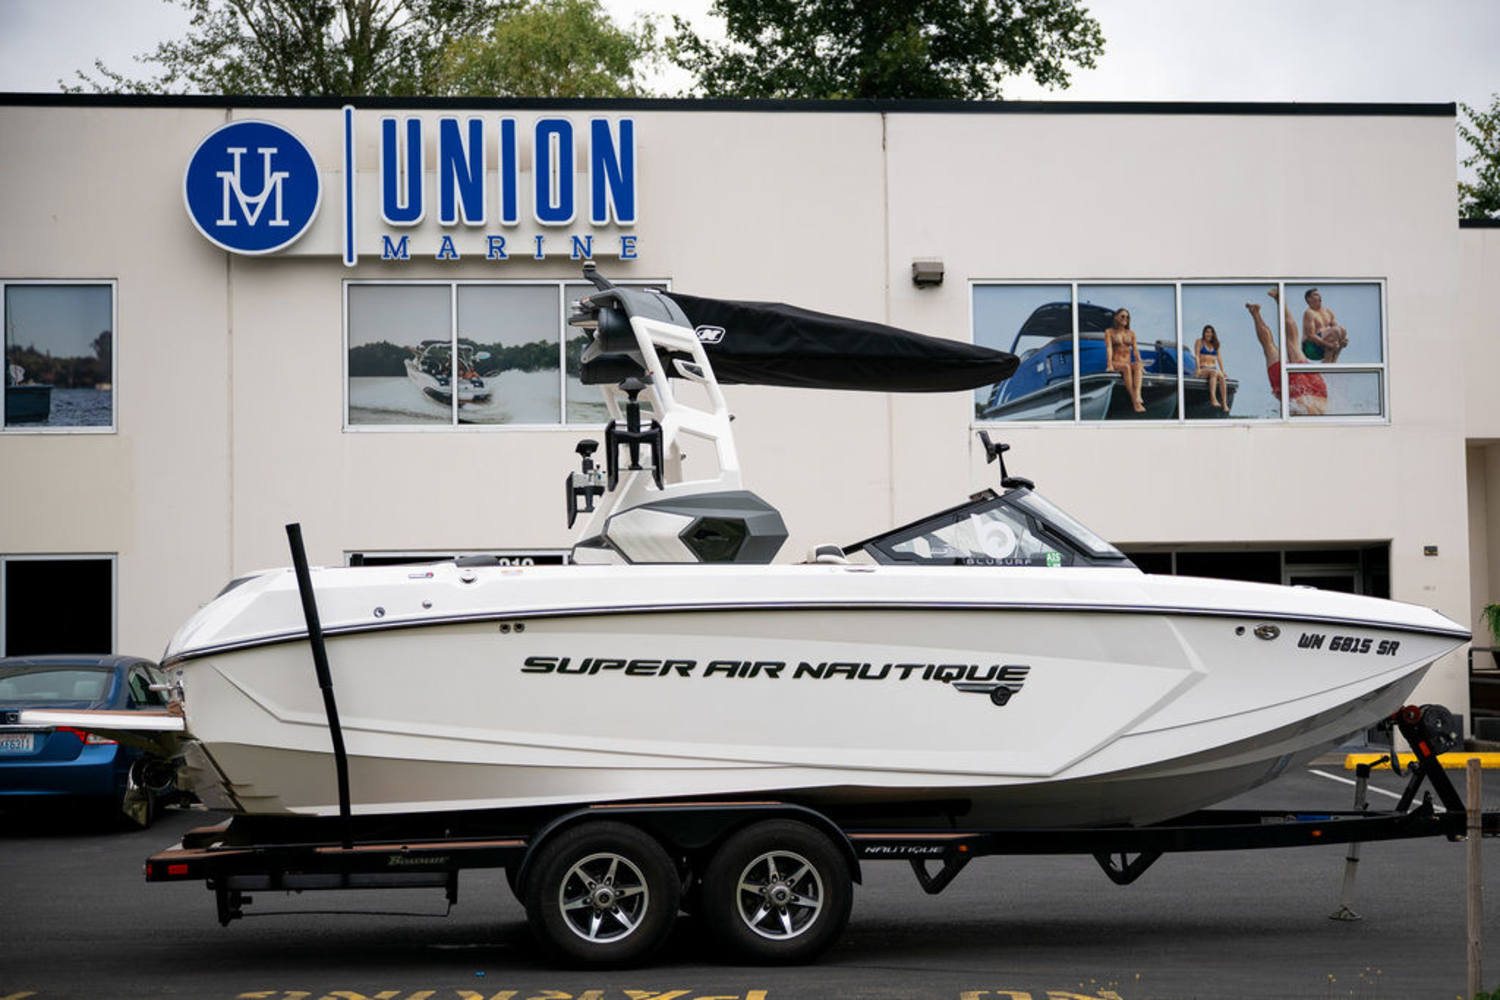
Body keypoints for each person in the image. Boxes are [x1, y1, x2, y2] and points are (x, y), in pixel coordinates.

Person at [1248, 289, 1327, 416]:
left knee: (1293, 342)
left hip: (1318, 390)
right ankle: (1255, 313)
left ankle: (1280, 300)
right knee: (1269, 347)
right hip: (1296, 394)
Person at [1105, 307, 1146, 413]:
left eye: (1127, 317)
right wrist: (1109, 365)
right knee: (1127, 367)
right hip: (1116, 363)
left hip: (1127, 362)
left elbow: (1135, 351)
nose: (1125, 318)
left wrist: (1140, 363)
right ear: (1116, 318)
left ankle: (1138, 395)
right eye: (1122, 316)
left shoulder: (1131, 333)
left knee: (1136, 365)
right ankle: (1135, 402)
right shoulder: (1109, 332)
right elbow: (1109, 348)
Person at [1300, 287, 1347, 362]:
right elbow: (1310, 335)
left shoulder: (1328, 311)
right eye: (1316, 295)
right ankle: (1328, 361)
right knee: (1335, 331)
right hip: (1310, 348)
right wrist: (1329, 345)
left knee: (1342, 331)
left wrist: (1342, 341)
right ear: (1309, 299)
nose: (1319, 296)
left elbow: (1338, 330)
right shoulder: (1309, 313)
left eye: (1319, 295)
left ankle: (1330, 363)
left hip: (1323, 346)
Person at [1194, 324, 1230, 412]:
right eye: (1207, 332)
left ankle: (1224, 404)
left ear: (1213, 334)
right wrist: (1198, 369)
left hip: (1213, 368)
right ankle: (1213, 399)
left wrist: (1222, 370)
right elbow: (1197, 355)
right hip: (1203, 368)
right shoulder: (1199, 341)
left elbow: (1219, 358)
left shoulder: (1216, 344)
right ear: (1204, 333)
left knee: (1221, 376)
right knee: (1214, 373)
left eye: (1210, 332)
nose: (1208, 334)